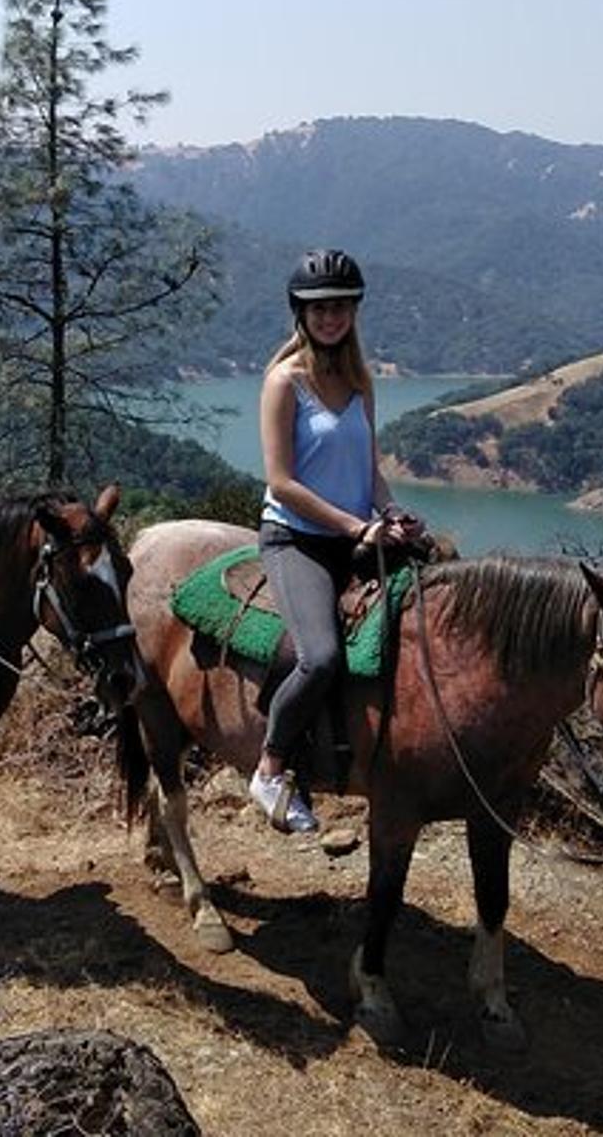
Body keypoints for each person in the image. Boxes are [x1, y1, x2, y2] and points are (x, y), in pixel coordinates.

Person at [252, 248, 426, 834]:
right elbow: (281, 481)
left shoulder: (358, 381)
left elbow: (369, 468)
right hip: (297, 540)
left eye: (340, 307)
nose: (330, 317)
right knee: (321, 656)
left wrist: (392, 511)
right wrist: (355, 526)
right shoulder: (285, 383)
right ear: (300, 313)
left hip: (357, 534)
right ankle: (273, 766)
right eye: (319, 307)